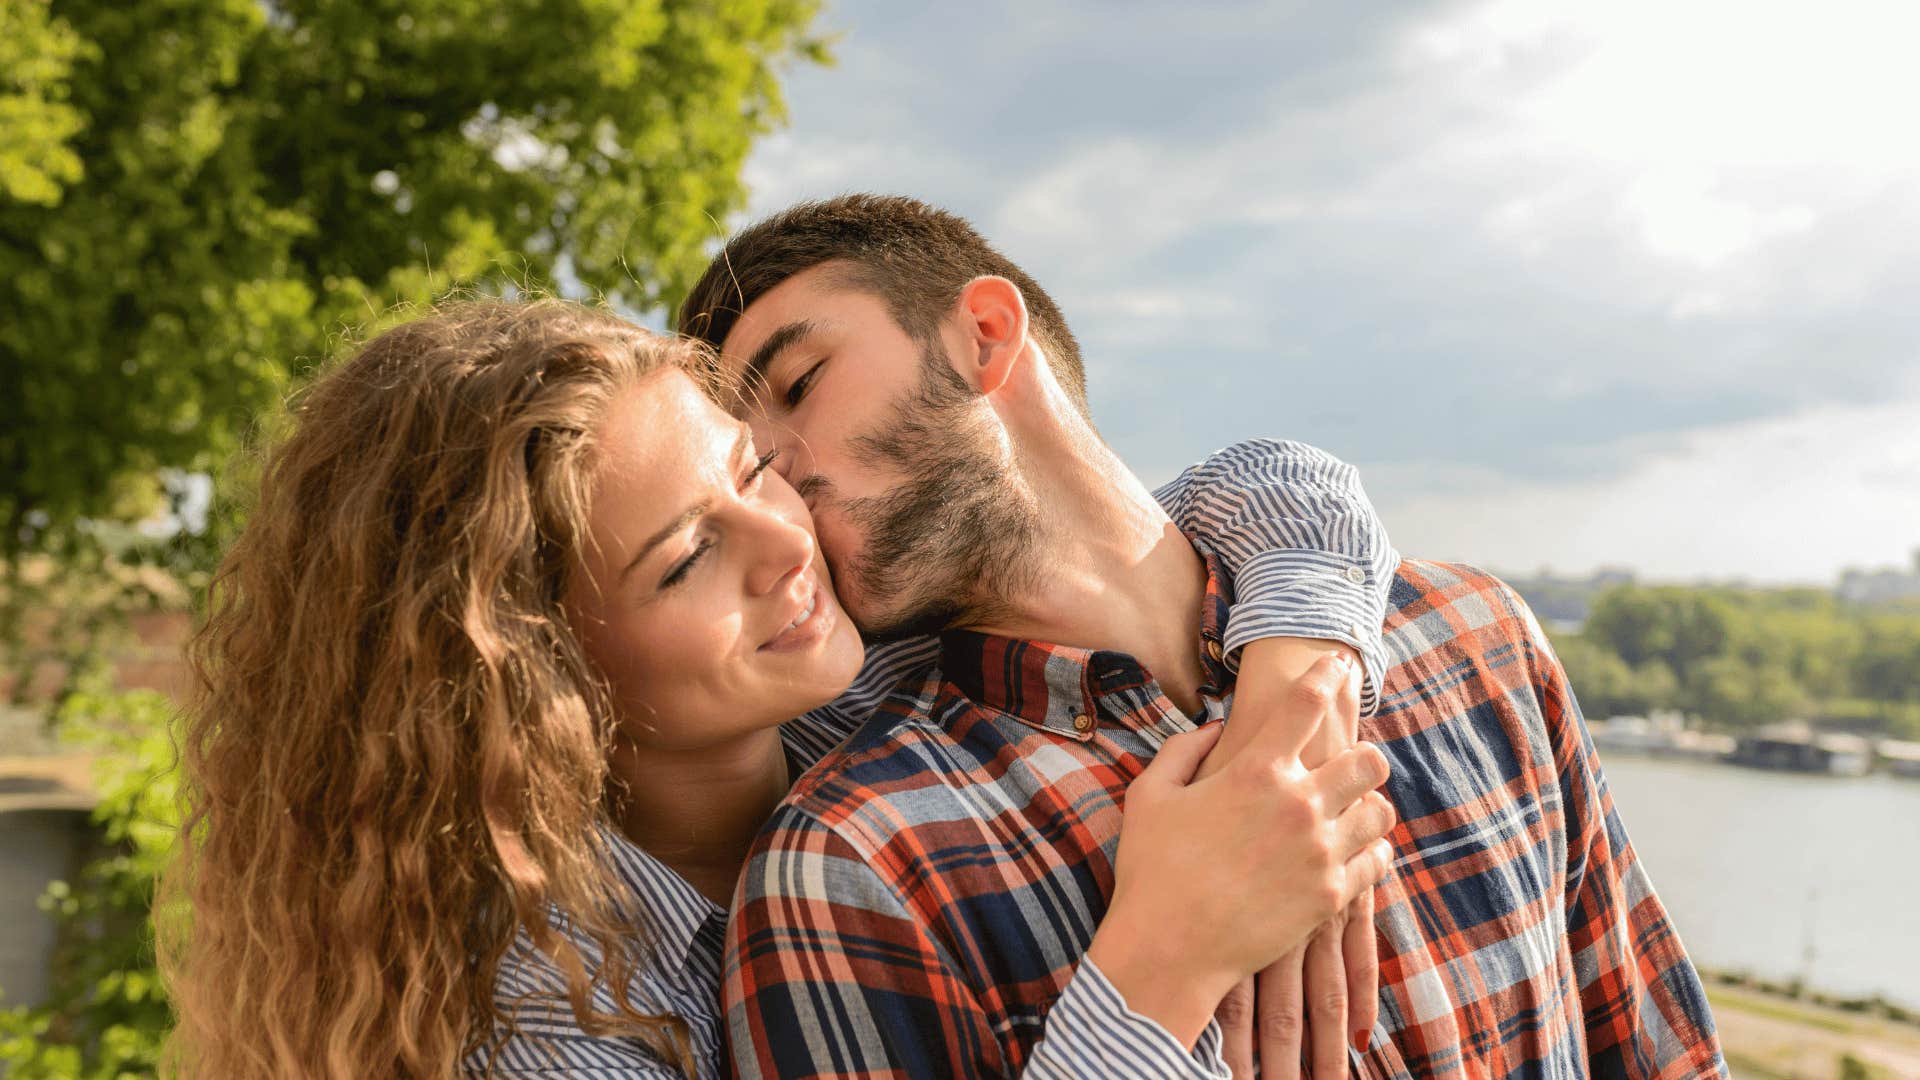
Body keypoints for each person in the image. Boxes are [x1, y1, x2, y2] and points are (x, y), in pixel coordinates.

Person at [162, 298, 1401, 1079]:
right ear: (532, 673)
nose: (786, 542)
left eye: (754, 469)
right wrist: (1162, 965)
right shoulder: (544, 1033)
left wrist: (1296, 694)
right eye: (688, 558)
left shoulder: (862, 688)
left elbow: (1265, 494)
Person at [679, 194, 1731, 1079]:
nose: (780, 473)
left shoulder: (1478, 639)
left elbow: (1664, 1054)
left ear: (987, 337)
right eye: (747, 457)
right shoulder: (850, 864)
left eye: (800, 384)